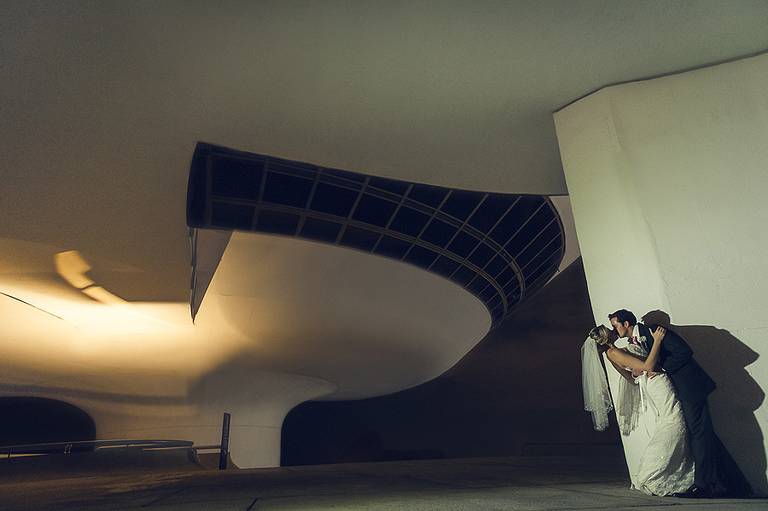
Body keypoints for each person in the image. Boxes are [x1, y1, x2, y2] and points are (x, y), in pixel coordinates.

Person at [608, 309, 751, 498]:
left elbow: (684, 351)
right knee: (701, 435)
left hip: (690, 387)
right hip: (674, 391)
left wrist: (662, 368)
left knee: (699, 434)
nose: (613, 329)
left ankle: (705, 486)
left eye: (615, 324)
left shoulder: (653, 331)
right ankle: (728, 484)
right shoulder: (632, 342)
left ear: (626, 324)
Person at [584, 323, 695, 496]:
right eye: (610, 330)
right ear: (606, 338)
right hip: (657, 382)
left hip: (650, 383)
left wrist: (637, 374)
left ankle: (672, 470)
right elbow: (649, 366)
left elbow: (630, 378)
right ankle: (652, 472)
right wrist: (657, 341)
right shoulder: (614, 353)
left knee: (669, 420)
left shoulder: (611, 353)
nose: (614, 331)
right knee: (673, 420)